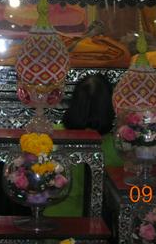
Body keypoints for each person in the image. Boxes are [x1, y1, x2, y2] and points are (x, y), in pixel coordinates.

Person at [44, 74, 122, 217]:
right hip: (100, 223)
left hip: (55, 218)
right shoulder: (118, 146)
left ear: (74, 103)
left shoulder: (51, 137)